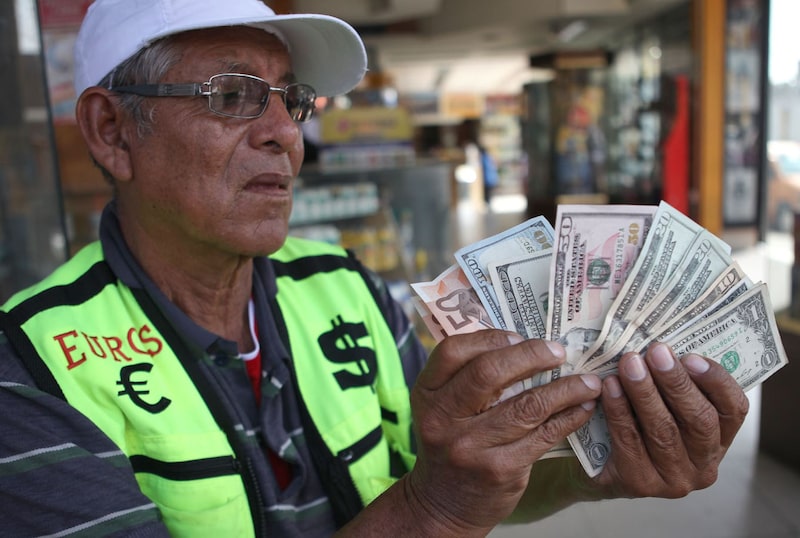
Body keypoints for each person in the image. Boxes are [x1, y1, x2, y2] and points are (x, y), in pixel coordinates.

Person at [0, 0, 749, 536]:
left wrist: (601, 469)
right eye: (231, 95)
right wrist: (430, 510)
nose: (286, 135)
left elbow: (469, 478)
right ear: (111, 131)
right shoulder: (28, 370)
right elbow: (440, 496)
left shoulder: (344, 286)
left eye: (292, 100)